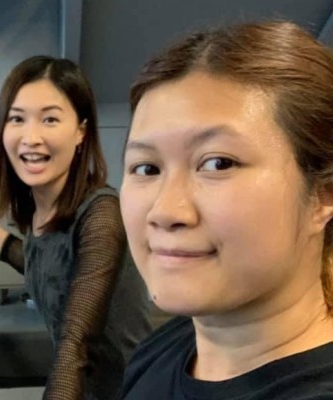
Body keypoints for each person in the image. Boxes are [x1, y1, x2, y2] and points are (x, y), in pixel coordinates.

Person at [119, 20, 333, 399]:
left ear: (323, 195)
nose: (165, 211)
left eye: (217, 163)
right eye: (147, 168)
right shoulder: (167, 345)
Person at [0, 55, 152, 400]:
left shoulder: (101, 215)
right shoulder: (40, 211)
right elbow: (39, 263)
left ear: (81, 131)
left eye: (50, 119)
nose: (31, 137)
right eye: (17, 119)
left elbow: (75, 344)